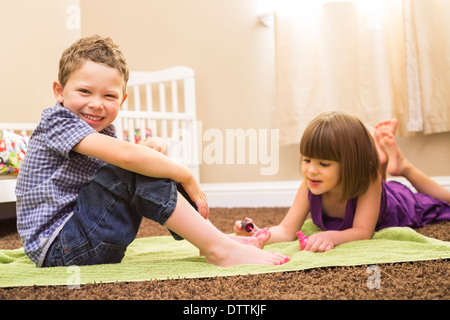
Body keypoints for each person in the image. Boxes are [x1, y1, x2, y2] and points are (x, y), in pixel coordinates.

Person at [16, 35, 290, 268]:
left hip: (87, 236)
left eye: (109, 96)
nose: (96, 104)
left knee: (144, 164)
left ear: (122, 100)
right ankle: (220, 248)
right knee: (136, 165)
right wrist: (185, 174)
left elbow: (117, 171)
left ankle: (213, 241)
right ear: (59, 91)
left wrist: (151, 151)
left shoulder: (105, 132)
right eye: (85, 91)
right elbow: (126, 159)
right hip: (59, 249)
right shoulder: (57, 121)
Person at [234, 111, 450, 252]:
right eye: (307, 160)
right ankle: (381, 159)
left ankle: (401, 165)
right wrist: (260, 234)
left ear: (351, 165)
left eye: (324, 164)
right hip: (371, 180)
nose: (311, 170)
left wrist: (333, 237)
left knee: (441, 202)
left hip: (397, 203)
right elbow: (286, 230)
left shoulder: (368, 181)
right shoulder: (310, 183)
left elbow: (363, 232)